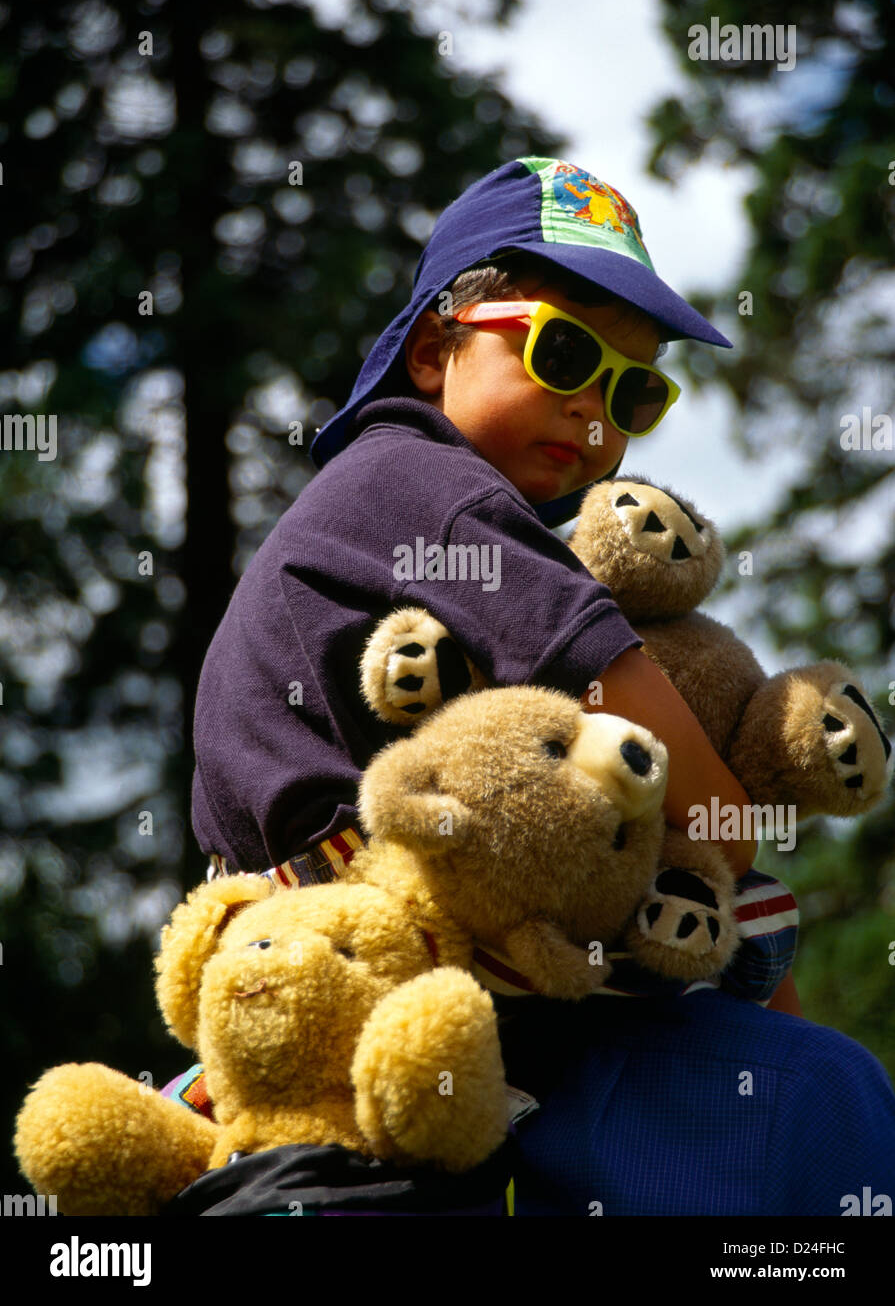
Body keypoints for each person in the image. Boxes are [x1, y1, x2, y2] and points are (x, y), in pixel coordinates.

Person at [181, 157, 895, 1214]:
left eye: (634, 389)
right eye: (563, 352)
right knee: (826, 1092)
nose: (597, 413)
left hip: (319, 1016)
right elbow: (706, 810)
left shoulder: (370, 499)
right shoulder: (431, 488)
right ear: (435, 347)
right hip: (447, 1015)